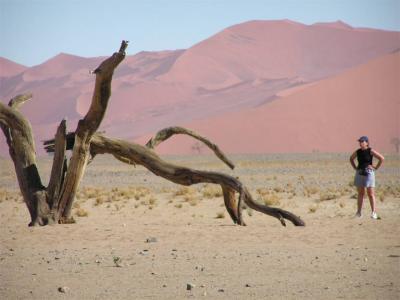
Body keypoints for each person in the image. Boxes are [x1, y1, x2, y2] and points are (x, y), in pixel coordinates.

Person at [349, 136, 384, 219]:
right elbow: (351, 158)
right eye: (360, 141)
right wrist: (355, 168)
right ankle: (359, 213)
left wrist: (375, 167)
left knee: (371, 194)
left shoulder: (370, 151)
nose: (360, 143)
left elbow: (381, 158)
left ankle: (374, 213)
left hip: (369, 173)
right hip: (360, 172)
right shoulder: (358, 151)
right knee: (360, 193)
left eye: (362, 141)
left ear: (367, 143)